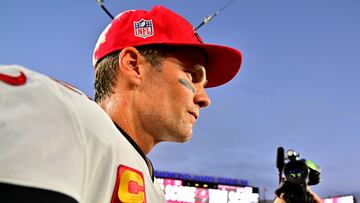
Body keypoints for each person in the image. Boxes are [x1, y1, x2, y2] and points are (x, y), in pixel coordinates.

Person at [0, 6, 242, 203]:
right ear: (134, 66)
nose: (204, 98)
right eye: (192, 76)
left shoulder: (149, 181)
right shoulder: (60, 111)